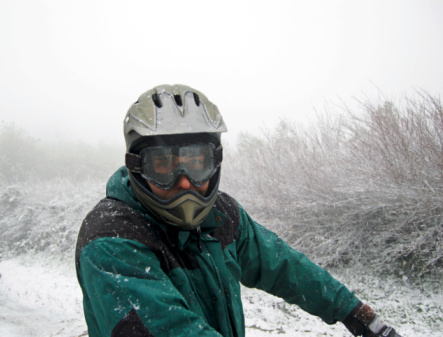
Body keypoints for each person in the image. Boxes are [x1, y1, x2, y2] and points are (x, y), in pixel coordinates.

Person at [75, 84, 402, 337]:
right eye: (164, 167)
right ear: (137, 167)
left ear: (215, 161)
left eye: (196, 163)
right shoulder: (112, 240)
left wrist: (353, 311)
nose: (186, 184)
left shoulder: (220, 215)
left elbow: (283, 265)